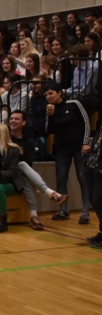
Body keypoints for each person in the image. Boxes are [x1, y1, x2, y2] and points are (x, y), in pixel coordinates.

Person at [8, 110, 68, 230]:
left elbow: (29, 162)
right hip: (6, 172)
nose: (13, 121)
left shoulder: (29, 141)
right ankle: (49, 193)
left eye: (16, 119)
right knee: (22, 166)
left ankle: (34, 216)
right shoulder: (6, 137)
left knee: (25, 177)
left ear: (23, 122)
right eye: (11, 118)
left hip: (20, 173)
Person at [45, 83, 91, 223]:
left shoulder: (74, 104)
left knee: (82, 178)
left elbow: (86, 122)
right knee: (61, 178)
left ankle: (85, 211)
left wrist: (85, 142)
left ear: (59, 92)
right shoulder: (51, 109)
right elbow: (48, 130)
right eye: (46, 95)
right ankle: (63, 210)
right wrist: (50, 116)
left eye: (51, 93)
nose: (48, 97)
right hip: (62, 148)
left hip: (78, 146)